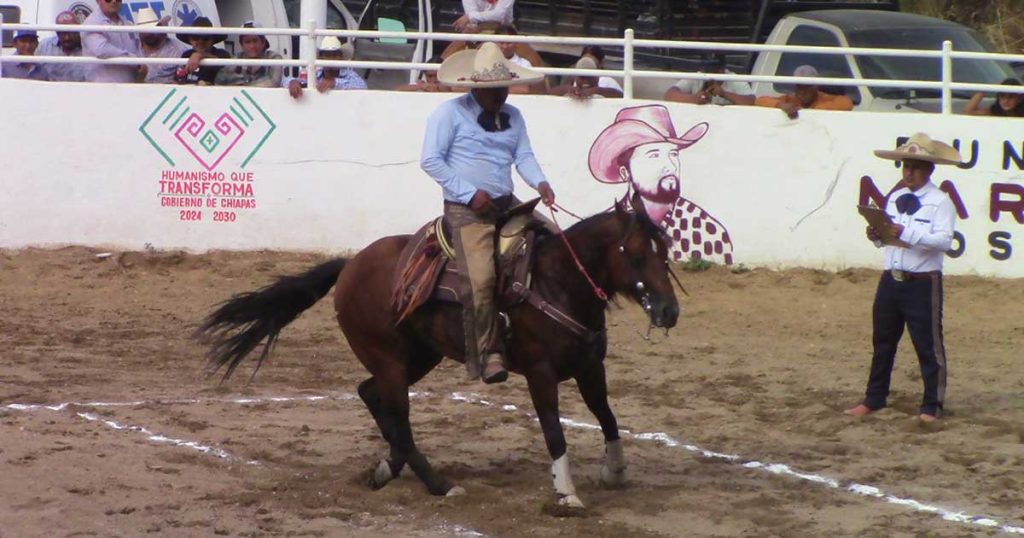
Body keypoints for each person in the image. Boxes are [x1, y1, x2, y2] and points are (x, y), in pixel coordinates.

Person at [421, 42, 555, 384]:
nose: (501, 95)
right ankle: (489, 351)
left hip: (505, 203)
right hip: (466, 212)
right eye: (494, 90)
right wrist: (469, 193)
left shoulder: (514, 116)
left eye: (504, 88)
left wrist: (540, 183)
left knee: (556, 242)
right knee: (481, 280)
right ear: (475, 88)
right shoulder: (448, 114)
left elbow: (523, 155)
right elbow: (431, 160)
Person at [845, 133, 962, 423]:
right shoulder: (896, 197)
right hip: (892, 279)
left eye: (915, 167)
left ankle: (932, 405)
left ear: (929, 170)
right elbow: (890, 238)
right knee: (883, 341)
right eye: (906, 166)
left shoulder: (941, 202)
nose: (908, 171)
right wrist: (878, 236)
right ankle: (874, 398)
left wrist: (904, 233)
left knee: (928, 346)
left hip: (922, 281)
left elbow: (945, 242)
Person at [588, 104, 733, 265]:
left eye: (673, 154)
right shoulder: (608, 229)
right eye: (654, 155)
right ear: (625, 172)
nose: (670, 166)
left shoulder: (706, 231)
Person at [754, 65, 854, 119]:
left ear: (816, 86)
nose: (802, 91)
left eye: (807, 86)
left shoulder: (825, 99)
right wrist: (780, 105)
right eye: (799, 86)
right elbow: (759, 100)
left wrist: (811, 111)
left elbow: (846, 103)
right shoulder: (790, 99)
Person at [283, 37, 367, 99]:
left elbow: (362, 86)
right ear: (321, 57)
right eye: (327, 55)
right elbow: (285, 81)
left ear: (341, 57)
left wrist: (334, 83)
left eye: (334, 55)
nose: (331, 59)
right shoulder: (316, 75)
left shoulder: (349, 75)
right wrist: (293, 82)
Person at [81, 0, 142, 83]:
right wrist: (134, 61)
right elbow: (102, 50)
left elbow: (137, 48)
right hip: (102, 89)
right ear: (98, 1)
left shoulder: (127, 23)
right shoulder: (91, 23)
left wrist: (140, 64)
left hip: (130, 87)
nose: (114, 1)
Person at [663, 54, 752, 106]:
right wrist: (694, 98)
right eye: (707, 70)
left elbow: (751, 101)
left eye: (715, 71)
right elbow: (669, 95)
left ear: (723, 69)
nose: (711, 74)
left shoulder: (735, 80)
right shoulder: (697, 77)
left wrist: (724, 94)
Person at [215, 21, 284, 87]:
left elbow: (273, 81)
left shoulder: (273, 57)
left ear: (263, 42)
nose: (252, 46)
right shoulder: (238, 58)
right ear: (242, 45)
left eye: (255, 41)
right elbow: (220, 80)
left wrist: (241, 84)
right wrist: (248, 80)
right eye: (247, 42)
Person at [548, 47, 623, 99]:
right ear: (576, 77)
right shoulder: (573, 86)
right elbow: (547, 94)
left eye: (589, 77)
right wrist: (567, 89)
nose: (585, 81)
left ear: (597, 76)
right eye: (582, 77)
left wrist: (596, 91)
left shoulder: (606, 80)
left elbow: (622, 97)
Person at [174, 17, 230, 86]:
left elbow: (223, 65)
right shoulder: (186, 55)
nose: (200, 42)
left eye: (206, 38)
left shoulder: (222, 54)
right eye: (195, 38)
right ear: (190, 40)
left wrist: (200, 55)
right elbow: (179, 80)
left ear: (213, 40)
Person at [137, 7, 187, 84]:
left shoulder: (178, 49)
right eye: (144, 30)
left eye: (152, 29)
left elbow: (185, 77)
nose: (149, 33)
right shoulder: (133, 47)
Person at [36, 11, 87, 82]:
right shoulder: (45, 46)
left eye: (71, 32)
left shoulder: (87, 47)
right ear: (57, 32)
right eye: (62, 33)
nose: (67, 37)